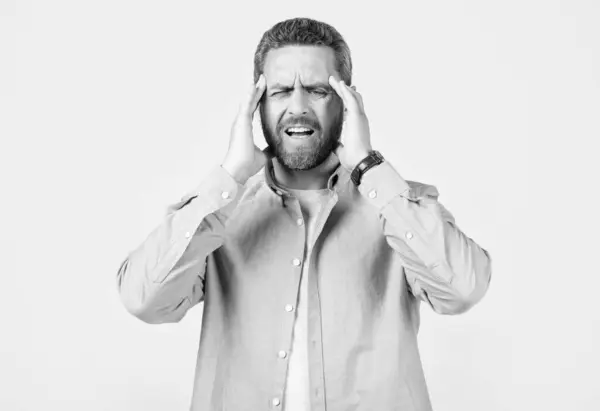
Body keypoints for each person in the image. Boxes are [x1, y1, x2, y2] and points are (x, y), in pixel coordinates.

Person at [116, 17, 492, 411]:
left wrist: (368, 167)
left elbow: (463, 289)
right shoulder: (219, 210)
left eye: (316, 91)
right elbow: (144, 300)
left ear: (348, 103)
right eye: (280, 91)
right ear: (257, 104)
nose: (297, 108)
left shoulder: (394, 204)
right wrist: (229, 177)